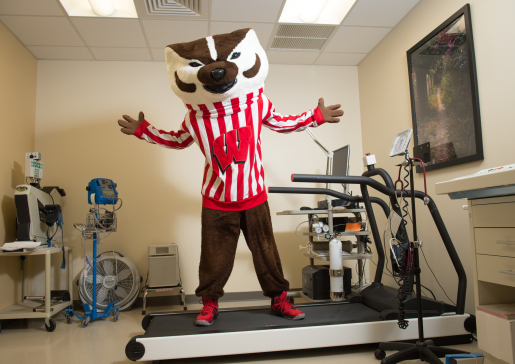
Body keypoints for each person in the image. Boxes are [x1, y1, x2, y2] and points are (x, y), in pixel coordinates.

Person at [118, 28, 343, 326]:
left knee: (267, 254)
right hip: (217, 199)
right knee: (214, 258)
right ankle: (209, 304)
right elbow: (176, 140)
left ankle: (279, 300)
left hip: (254, 196)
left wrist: (315, 116)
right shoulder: (195, 118)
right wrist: (143, 131)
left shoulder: (255, 103)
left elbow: (281, 122)